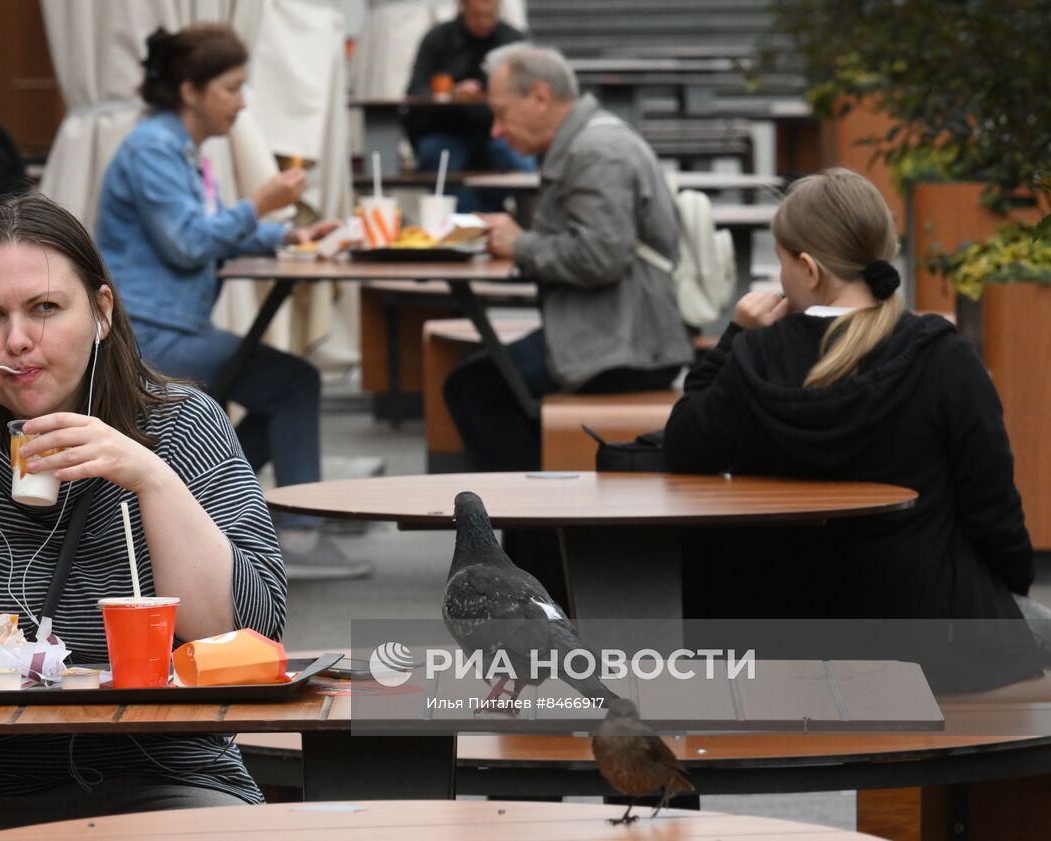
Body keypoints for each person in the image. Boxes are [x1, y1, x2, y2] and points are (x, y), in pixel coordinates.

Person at [0, 193, 286, 839]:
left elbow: (248, 633)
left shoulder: (181, 424)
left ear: (102, 311)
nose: (17, 339)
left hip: (172, 774)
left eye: (45, 308)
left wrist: (150, 476)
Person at [664, 168, 1041, 636]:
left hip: (774, 630)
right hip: (929, 627)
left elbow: (682, 447)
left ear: (809, 268)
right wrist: (1009, 593)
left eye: (781, 263)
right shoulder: (943, 356)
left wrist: (734, 337)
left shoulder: (753, 358)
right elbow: (992, 508)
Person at [96, 24, 370, 581]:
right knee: (293, 384)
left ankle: (207, 503)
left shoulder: (180, 147)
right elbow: (188, 241)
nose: (242, 102)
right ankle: (296, 531)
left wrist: (288, 236)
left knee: (282, 386)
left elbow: (206, 231)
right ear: (191, 91)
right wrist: (262, 204)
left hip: (169, 322)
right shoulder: (153, 148)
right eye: (231, 87)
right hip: (146, 332)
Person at [443, 42, 692, 472]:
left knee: (473, 387)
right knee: (483, 381)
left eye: (501, 113)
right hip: (620, 330)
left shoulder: (596, 152)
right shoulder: (590, 139)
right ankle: (530, 521)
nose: (495, 132)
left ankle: (528, 522)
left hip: (625, 346)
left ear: (540, 97)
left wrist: (520, 244)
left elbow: (599, 257)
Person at [404, 0, 537, 213]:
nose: (483, 22)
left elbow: (530, 92)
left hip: (498, 132)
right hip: (446, 130)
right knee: (438, 160)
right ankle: (474, 222)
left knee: (522, 161)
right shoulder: (438, 39)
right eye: (477, 15)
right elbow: (416, 89)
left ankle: (519, 222)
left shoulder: (514, 41)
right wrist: (451, 93)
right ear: (462, 3)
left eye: (490, 15)